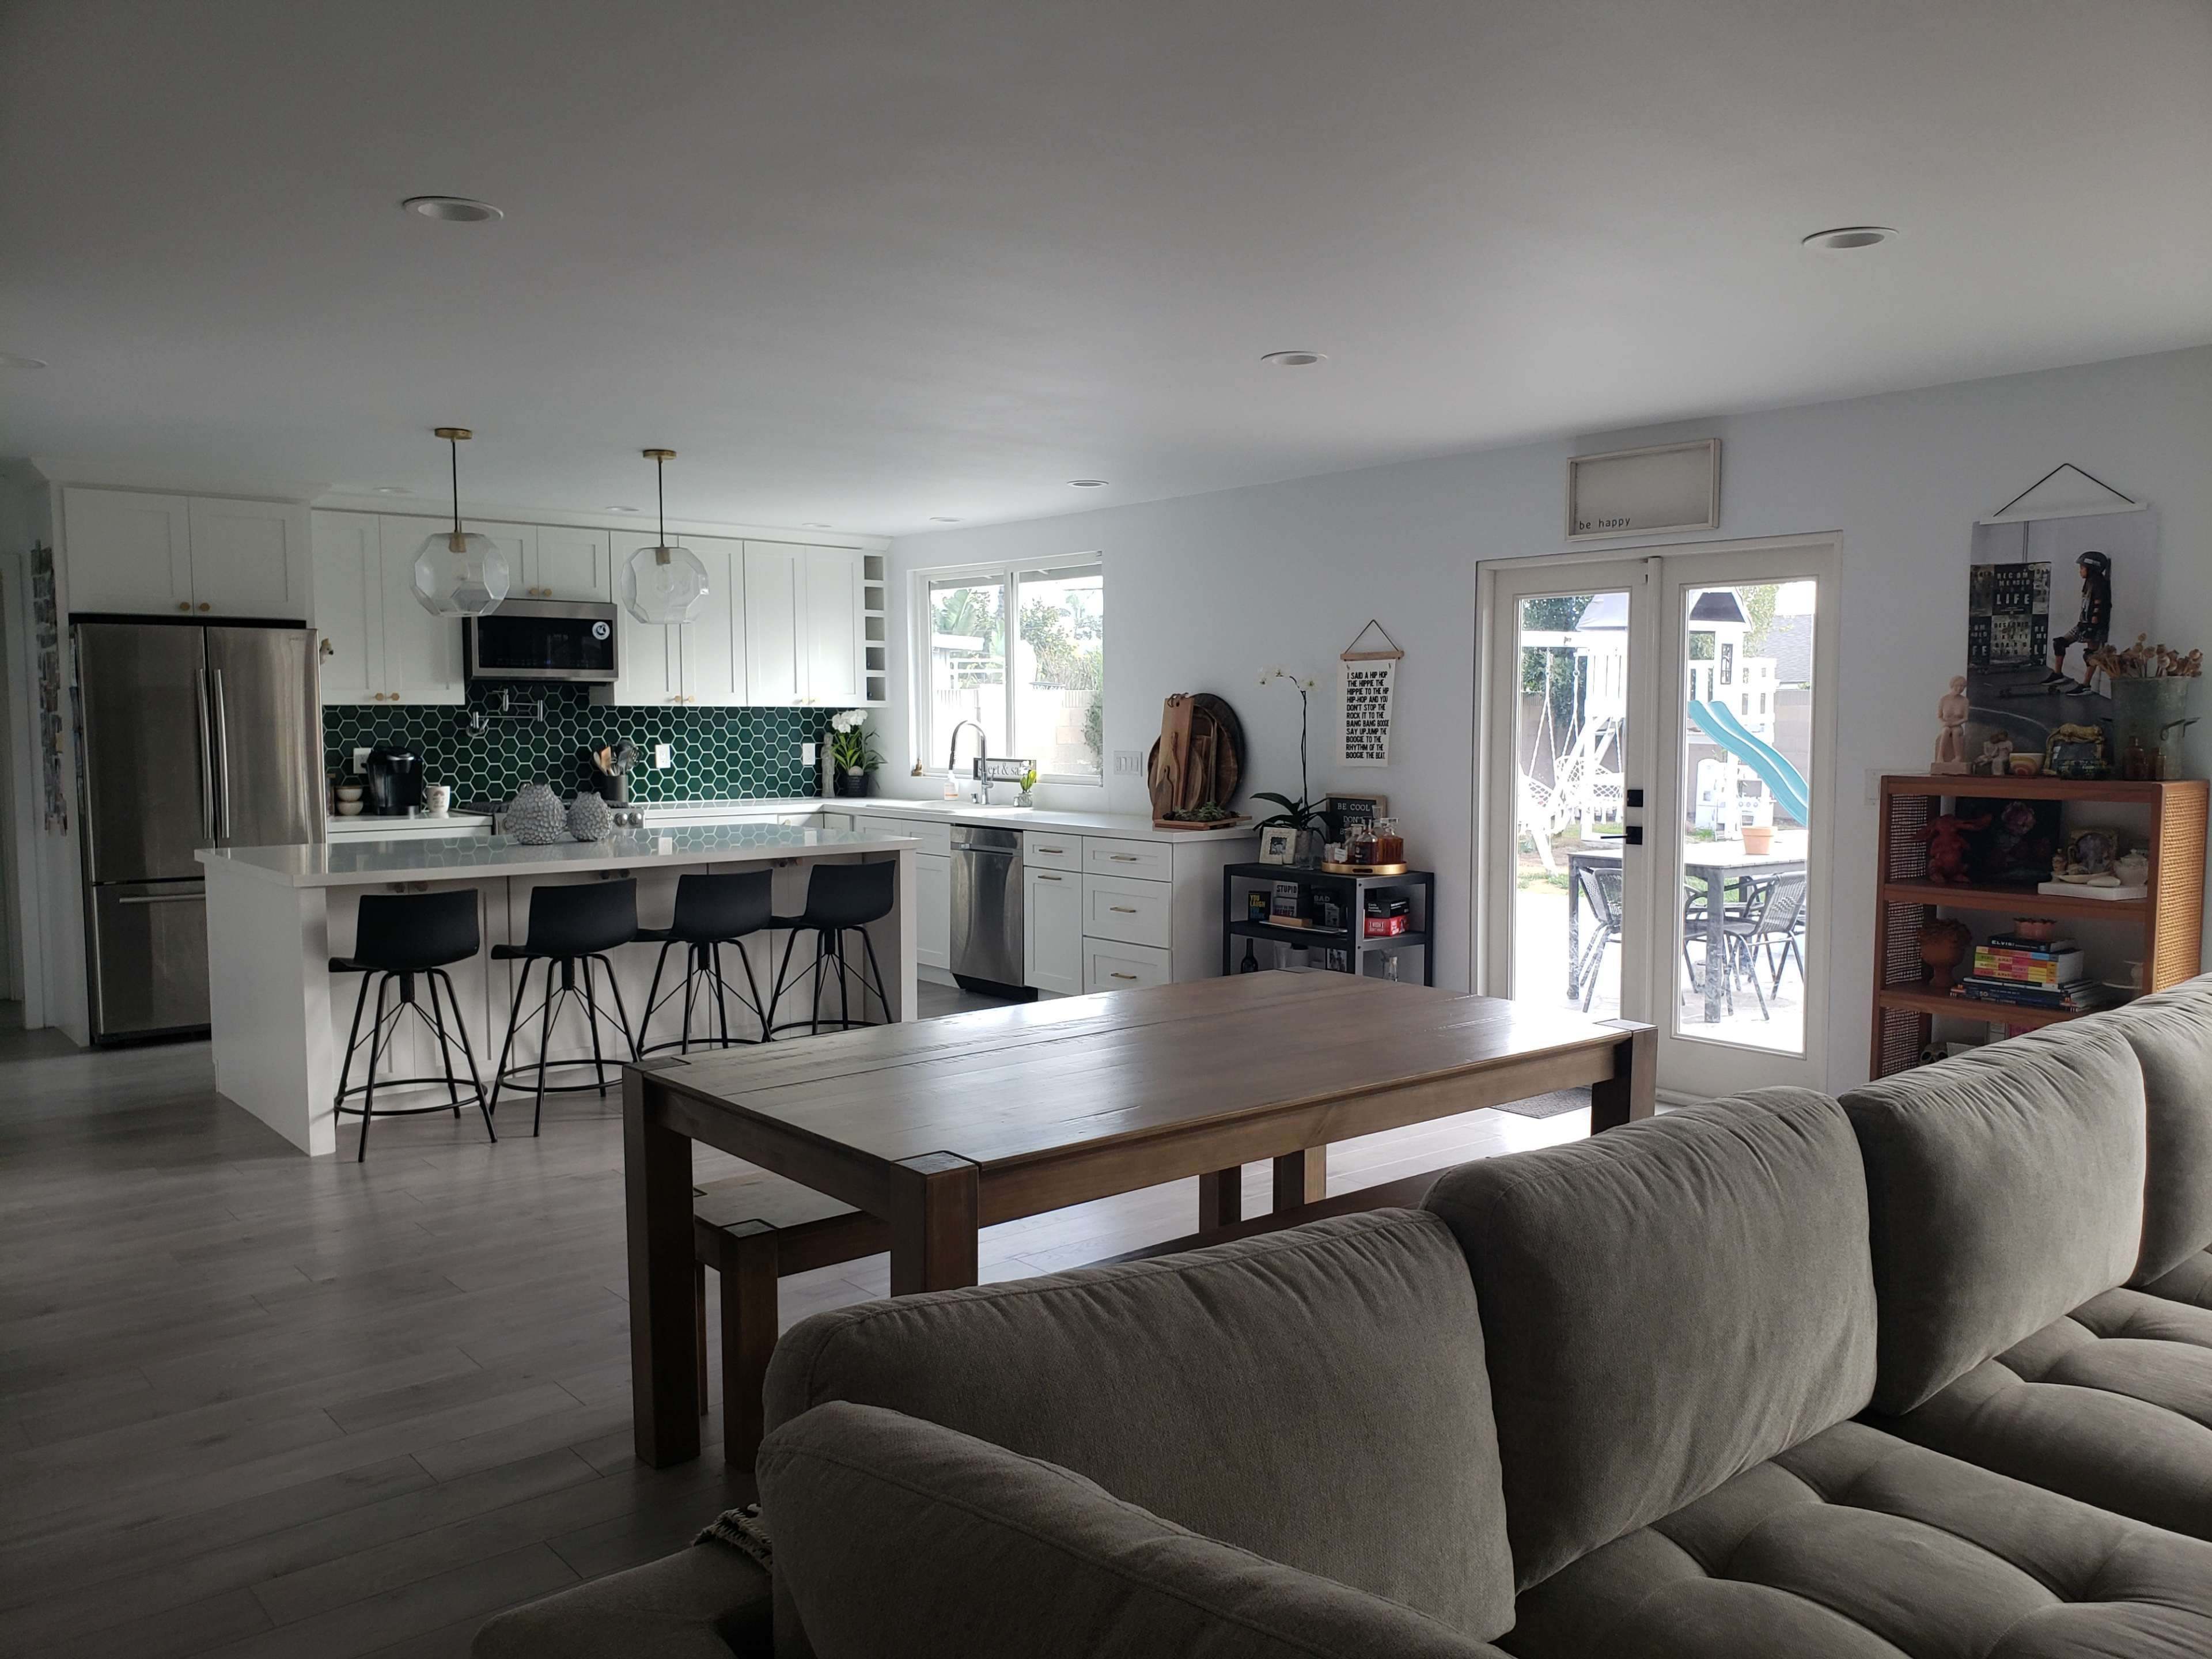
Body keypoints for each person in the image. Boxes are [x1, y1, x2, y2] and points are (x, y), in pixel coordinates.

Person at [2048, 551, 2111, 688]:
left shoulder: (2099, 583)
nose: (2080, 571)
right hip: (2083, 623)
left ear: (2092, 568)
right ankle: (2058, 674)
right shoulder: (2089, 582)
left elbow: (2099, 605)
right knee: (2059, 643)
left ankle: (2086, 684)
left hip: (2094, 626)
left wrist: (2093, 625)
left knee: (2091, 655)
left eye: (2082, 568)